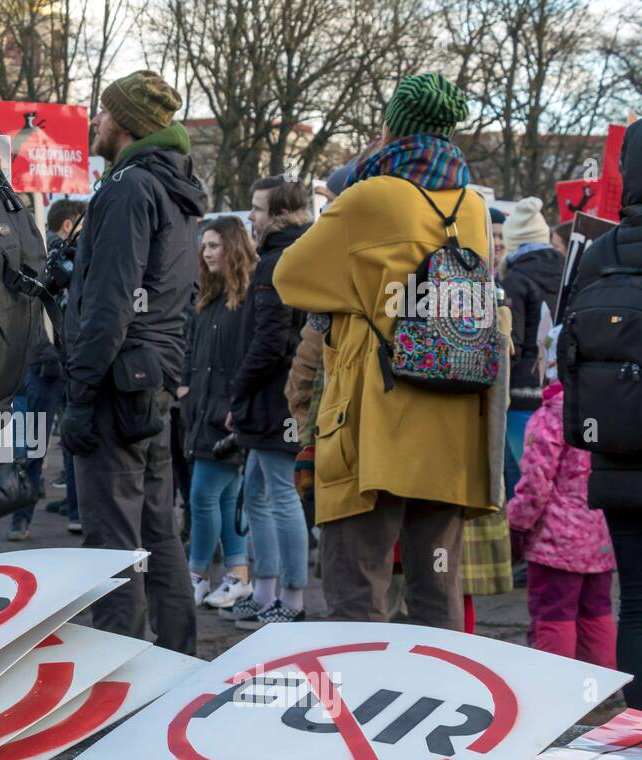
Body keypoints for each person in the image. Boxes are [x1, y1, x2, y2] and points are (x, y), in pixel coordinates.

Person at [273, 72, 496, 631]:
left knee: (357, 586)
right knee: (436, 589)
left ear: (392, 126)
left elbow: (289, 278)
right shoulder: (471, 204)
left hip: (376, 415)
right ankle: (443, 705)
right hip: (451, 417)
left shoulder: (371, 197)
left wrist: (357, 293)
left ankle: (367, 712)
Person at [60, 70, 206, 653]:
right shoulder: (177, 188)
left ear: (124, 123)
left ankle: (119, 681)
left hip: (116, 385)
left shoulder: (127, 188)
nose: (95, 121)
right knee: (156, 533)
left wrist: (79, 394)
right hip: (154, 380)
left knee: (114, 546)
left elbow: (108, 306)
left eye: (101, 112)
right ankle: (177, 662)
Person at [567, 117, 642, 706]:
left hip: (614, 458)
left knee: (635, 601)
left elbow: (568, 351)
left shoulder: (600, 252)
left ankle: (637, 729)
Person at [223, 177, 312, 629]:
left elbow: (271, 338)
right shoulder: (298, 255)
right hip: (277, 395)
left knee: (278, 495)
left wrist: (238, 388)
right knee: (258, 492)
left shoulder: (278, 261)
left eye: (257, 209)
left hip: (276, 398)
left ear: (278, 215)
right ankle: (266, 592)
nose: (251, 217)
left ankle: (292, 601)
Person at [507, 327, 616, 665]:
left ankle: (555, 686)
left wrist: (517, 524)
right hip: (599, 537)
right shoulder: (608, 408)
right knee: (597, 611)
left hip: (555, 543)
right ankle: (599, 687)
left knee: (553, 613)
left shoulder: (551, 414)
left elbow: (536, 483)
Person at [182, 216, 256, 609]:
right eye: (204, 246)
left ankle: (195, 575)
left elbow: (249, 359)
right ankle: (236, 575)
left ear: (232, 247)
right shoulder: (208, 301)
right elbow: (193, 354)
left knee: (203, 496)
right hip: (203, 413)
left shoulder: (246, 303)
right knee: (224, 499)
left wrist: (235, 405)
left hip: (225, 417)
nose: (207, 252)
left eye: (214, 245)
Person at [8, 198, 84, 541]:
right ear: (68, 225)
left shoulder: (75, 257)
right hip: (47, 366)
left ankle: (70, 511)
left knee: (61, 442)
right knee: (37, 443)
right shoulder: (44, 257)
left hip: (65, 364)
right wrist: (47, 354)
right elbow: (31, 312)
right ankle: (21, 517)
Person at [500, 196, 563, 497]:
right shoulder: (567, 272)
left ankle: (518, 542)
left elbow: (512, 342)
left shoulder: (515, 280)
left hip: (521, 395)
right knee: (547, 480)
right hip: (558, 394)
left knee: (520, 481)